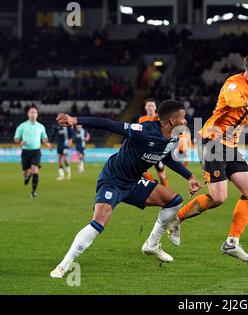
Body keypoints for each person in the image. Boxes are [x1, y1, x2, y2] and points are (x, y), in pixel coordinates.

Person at [50, 100, 201, 279]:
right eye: (183, 118)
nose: (186, 122)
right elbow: (108, 124)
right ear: (173, 120)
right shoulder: (144, 131)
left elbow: (166, 157)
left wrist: (190, 176)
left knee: (174, 201)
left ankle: (151, 244)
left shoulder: (174, 137)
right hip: (113, 179)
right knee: (99, 221)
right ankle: (64, 265)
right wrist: (75, 120)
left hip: (134, 182)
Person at [166, 51, 248, 263]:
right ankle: (175, 220)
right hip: (213, 142)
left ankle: (232, 243)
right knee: (218, 198)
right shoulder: (233, 84)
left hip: (231, 146)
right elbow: (234, 101)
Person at [13, 105, 52, 198]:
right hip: (25, 151)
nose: (33, 114)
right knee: (25, 172)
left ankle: (34, 191)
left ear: (37, 114)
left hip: (36, 151)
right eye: (31, 112)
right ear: (28, 114)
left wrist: (47, 143)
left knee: (35, 169)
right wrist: (20, 142)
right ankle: (27, 175)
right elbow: (16, 138)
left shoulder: (41, 126)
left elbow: (44, 138)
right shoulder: (22, 126)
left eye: (35, 112)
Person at [138, 98, 169, 187]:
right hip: (146, 149)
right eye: (149, 105)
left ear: (155, 107)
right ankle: (154, 184)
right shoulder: (142, 119)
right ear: (145, 107)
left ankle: (166, 193)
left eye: (152, 105)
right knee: (141, 172)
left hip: (158, 149)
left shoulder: (159, 118)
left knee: (161, 174)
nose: (150, 107)